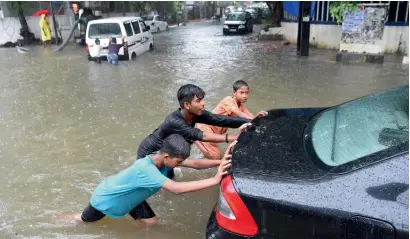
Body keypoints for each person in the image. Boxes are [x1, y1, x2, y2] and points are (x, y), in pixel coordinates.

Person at [75, 134, 234, 225]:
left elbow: (194, 163)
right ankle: (67, 218)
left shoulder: (162, 159)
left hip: (133, 198)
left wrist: (222, 161)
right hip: (107, 199)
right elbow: (175, 188)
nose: (180, 164)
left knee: (151, 223)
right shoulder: (147, 169)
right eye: (178, 162)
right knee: (83, 221)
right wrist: (215, 180)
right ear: (167, 156)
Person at [137, 84, 260, 179]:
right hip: (151, 153)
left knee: (169, 177)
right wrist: (234, 137)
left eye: (203, 100)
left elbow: (220, 119)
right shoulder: (174, 121)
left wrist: (252, 120)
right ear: (187, 105)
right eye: (199, 101)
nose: (203, 104)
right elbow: (201, 135)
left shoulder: (195, 114)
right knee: (156, 183)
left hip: (170, 153)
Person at [195, 80, 268, 159]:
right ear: (234, 92)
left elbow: (251, 117)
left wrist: (261, 117)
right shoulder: (228, 100)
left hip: (215, 133)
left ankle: (203, 146)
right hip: (206, 128)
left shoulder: (241, 107)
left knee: (211, 156)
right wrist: (255, 118)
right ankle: (196, 140)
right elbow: (239, 114)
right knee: (215, 157)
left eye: (246, 93)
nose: (244, 96)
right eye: (241, 92)